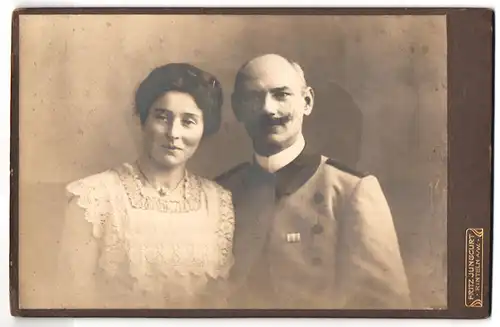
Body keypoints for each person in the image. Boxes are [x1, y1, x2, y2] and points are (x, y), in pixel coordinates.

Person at [216, 54, 412, 309]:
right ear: (238, 109)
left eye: (281, 95)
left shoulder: (351, 190)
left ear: (307, 102)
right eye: (253, 97)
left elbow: (386, 307)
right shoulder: (219, 193)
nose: (268, 108)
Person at [56, 63, 235, 309]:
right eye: (162, 117)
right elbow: (73, 300)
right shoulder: (93, 197)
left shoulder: (217, 202)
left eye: (189, 121)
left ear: (204, 130)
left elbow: (220, 302)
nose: (173, 133)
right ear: (143, 120)